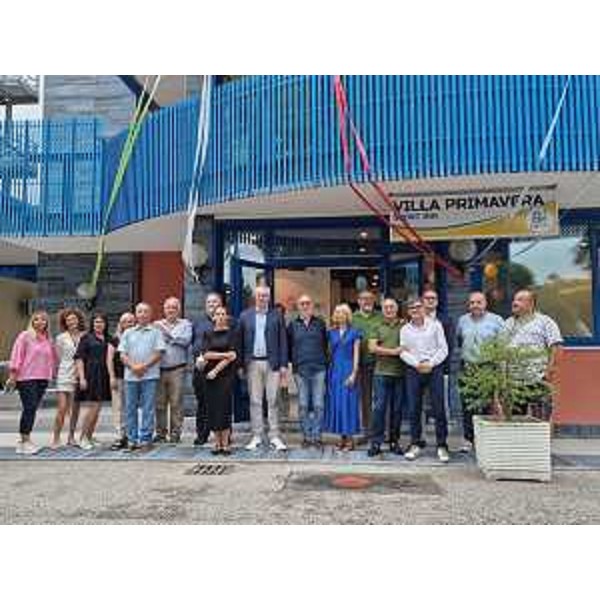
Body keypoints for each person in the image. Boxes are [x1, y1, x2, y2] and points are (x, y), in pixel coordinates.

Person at [238, 285, 288, 451]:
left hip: (272, 363)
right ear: (255, 297)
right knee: (255, 400)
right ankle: (257, 435)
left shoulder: (277, 315)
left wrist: (283, 364)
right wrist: (241, 365)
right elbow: (240, 342)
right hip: (252, 363)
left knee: (273, 400)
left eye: (265, 296)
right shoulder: (245, 316)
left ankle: (274, 436)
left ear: (269, 298)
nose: (262, 298)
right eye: (259, 295)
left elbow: (283, 341)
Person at [400, 298, 450, 463]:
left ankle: (442, 445)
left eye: (418, 306)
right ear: (408, 312)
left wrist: (431, 363)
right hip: (414, 369)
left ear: (423, 308)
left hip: (434, 369)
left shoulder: (435, 325)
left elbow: (443, 348)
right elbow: (403, 351)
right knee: (414, 408)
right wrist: (417, 364)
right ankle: (415, 443)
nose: (415, 310)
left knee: (438, 407)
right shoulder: (405, 329)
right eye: (411, 308)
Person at [455, 292, 505, 451]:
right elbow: (459, 340)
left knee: (486, 405)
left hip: (488, 367)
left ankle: (484, 439)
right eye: (472, 303)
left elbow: (502, 346)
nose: (475, 305)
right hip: (468, 367)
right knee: (467, 405)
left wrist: (500, 371)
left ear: (485, 303)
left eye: (478, 302)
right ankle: (468, 439)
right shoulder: (462, 320)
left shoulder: (497, 320)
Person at [504, 289, 563, 419]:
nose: (514, 303)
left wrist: (549, 372)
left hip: (538, 379)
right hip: (514, 381)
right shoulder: (508, 323)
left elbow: (557, 347)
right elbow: (501, 351)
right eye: (514, 299)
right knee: (515, 421)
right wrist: (504, 377)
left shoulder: (545, 322)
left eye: (519, 300)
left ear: (531, 304)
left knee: (541, 420)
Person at [8, 310, 57, 455]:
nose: (40, 322)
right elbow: (17, 355)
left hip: (42, 378)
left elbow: (52, 359)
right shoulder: (25, 336)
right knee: (29, 408)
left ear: (47, 323)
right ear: (32, 322)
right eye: (36, 319)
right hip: (26, 378)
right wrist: (13, 374)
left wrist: (52, 374)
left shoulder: (48, 339)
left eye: (43, 319)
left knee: (33, 409)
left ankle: (25, 440)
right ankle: (24, 441)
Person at [119, 303, 166, 450]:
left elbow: (159, 352)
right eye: (140, 311)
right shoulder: (128, 333)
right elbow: (122, 354)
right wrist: (133, 367)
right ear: (136, 314)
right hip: (130, 376)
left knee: (148, 408)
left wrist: (144, 366)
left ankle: (146, 439)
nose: (143, 314)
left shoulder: (156, 332)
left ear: (150, 314)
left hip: (150, 376)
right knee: (130, 408)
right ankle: (132, 439)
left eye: (146, 311)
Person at [287, 294, 328, 448]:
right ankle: (306, 436)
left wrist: (324, 362)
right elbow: (288, 346)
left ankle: (316, 436)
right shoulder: (292, 325)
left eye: (307, 303)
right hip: (300, 370)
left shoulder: (320, 323)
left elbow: (325, 345)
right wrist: (294, 362)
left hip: (319, 369)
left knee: (318, 404)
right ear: (298, 306)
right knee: (303, 405)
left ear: (312, 306)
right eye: (302, 303)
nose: (305, 306)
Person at [197, 306, 239, 455]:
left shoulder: (232, 333)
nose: (220, 316)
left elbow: (233, 356)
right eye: (217, 314)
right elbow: (206, 354)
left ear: (226, 317)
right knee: (213, 409)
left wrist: (216, 370)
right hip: (209, 377)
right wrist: (225, 355)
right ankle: (217, 443)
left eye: (223, 314)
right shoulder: (207, 333)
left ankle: (225, 443)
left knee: (224, 409)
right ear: (213, 317)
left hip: (225, 375)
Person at [368, 298, 406, 457]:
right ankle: (376, 442)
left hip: (400, 373)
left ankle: (394, 441)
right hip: (381, 373)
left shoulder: (405, 326)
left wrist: (384, 349)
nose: (389, 309)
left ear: (397, 309)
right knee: (379, 409)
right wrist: (394, 352)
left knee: (397, 410)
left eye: (392, 307)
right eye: (386, 307)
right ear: (382, 309)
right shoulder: (376, 326)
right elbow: (372, 347)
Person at [154, 297, 192, 444]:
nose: (171, 310)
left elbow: (185, 341)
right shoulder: (156, 325)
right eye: (168, 307)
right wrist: (175, 338)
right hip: (159, 369)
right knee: (159, 403)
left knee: (176, 403)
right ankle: (160, 433)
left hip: (177, 368)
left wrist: (168, 336)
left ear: (179, 310)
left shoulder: (185, 324)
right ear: (164, 309)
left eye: (174, 307)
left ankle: (175, 433)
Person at [74, 312, 114, 450]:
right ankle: (82, 438)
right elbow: (79, 358)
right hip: (91, 375)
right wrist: (82, 377)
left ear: (106, 324)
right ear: (92, 323)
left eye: (101, 322)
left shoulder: (109, 338)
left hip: (103, 375)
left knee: (98, 409)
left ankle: (89, 436)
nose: (99, 324)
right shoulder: (86, 338)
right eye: (96, 322)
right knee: (93, 407)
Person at [325, 303, 362, 451]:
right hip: (334, 371)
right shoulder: (331, 333)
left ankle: (350, 440)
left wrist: (354, 373)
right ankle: (342, 438)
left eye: (342, 312)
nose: (339, 315)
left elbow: (356, 354)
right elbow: (329, 353)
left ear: (347, 315)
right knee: (338, 405)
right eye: (337, 312)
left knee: (349, 404)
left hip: (348, 369)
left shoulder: (355, 332)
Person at [191, 292, 223, 446]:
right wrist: (197, 359)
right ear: (205, 305)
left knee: (220, 404)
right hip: (201, 369)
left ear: (221, 304)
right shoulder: (197, 323)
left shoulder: (228, 322)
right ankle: (202, 434)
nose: (212, 305)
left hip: (221, 370)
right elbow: (193, 343)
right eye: (209, 302)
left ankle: (223, 435)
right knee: (202, 403)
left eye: (215, 302)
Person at [51, 308, 86, 449]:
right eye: (68, 320)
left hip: (79, 374)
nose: (71, 321)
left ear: (78, 320)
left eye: (74, 319)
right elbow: (58, 356)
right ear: (65, 322)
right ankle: (56, 438)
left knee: (75, 409)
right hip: (65, 373)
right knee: (62, 408)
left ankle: (71, 437)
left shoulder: (85, 335)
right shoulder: (61, 338)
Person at [352, 290, 383, 433]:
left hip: (379, 362)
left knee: (380, 397)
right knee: (364, 397)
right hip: (359, 364)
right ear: (358, 301)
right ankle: (366, 428)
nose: (367, 301)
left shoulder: (381, 317)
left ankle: (380, 428)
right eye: (364, 299)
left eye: (370, 298)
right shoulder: (352, 318)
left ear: (374, 300)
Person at [107, 312, 135, 450]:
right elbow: (109, 360)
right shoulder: (115, 339)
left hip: (134, 377)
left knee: (131, 407)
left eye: (131, 321)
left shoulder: (137, 337)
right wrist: (111, 377)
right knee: (119, 407)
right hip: (119, 377)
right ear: (121, 324)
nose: (128, 324)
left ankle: (131, 435)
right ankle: (120, 435)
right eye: (125, 321)